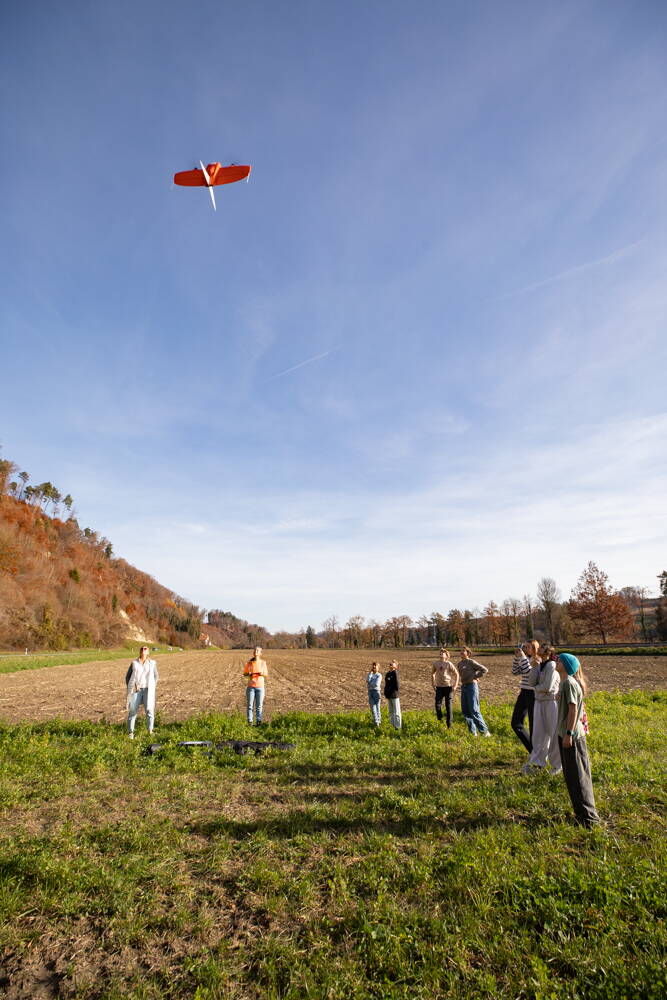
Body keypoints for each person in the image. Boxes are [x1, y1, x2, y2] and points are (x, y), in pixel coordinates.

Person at [555, 653, 600, 828]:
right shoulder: (565, 683)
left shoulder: (569, 683)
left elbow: (573, 710)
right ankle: (580, 815)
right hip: (565, 735)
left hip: (572, 737)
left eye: (559, 660)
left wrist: (569, 733)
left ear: (566, 665)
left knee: (579, 777)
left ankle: (590, 819)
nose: (556, 661)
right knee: (571, 776)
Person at [523, 643, 561, 774]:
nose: (538, 650)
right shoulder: (538, 665)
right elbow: (531, 682)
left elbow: (548, 687)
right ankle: (537, 763)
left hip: (551, 702)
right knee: (538, 734)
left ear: (548, 652)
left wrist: (537, 690)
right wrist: (534, 667)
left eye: (542, 648)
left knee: (553, 733)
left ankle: (557, 765)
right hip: (539, 702)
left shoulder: (552, 665)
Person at [510, 640, 539, 753]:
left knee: (533, 725)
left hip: (533, 694)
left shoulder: (538, 660)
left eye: (527, 647)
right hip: (523, 693)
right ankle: (532, 750)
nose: (525, 649)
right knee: (515, 723)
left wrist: (522, 658)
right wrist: (517, 658)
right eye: (524, 647)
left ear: (534, 648)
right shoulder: (525, 659)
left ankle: (536, 754)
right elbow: (514, 672)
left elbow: (528, 672)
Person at [126, 644, 159, 739]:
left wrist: (153, 685)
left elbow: (156, 676)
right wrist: (130, 686)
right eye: (142, 649)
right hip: (136, 690)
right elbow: (128, 676)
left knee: (149, 710)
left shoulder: (152, 663)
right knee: (133, 711)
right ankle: (131, 733)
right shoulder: (134, 663)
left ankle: (150, 731)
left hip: (148, 690)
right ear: (140, 651)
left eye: (145, 649)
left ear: (148, 652)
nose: (143, 650)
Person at [457, 647, 490, 735]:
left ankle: (485, 732)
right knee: (466, 710)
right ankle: (473, 733)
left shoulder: (471, 662)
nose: (461, 652)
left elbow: (484, 670)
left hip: (472, 686)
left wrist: (475, 677)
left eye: (463, 651)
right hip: (464, 687)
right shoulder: (459, 664)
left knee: (474, 709)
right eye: (460, 650)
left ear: (468, 653)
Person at [431, 648, 459, 728]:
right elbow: (432, 673)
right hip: (439, 687)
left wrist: (455, 685)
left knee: (448, 706)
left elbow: (456, 674)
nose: (441, 654)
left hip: (448, 687)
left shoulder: (449, 664)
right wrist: (433, 684)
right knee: (437, 705)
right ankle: (440, 720)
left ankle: (449, 725)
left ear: (446, 656)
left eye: (442, 653)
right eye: (440, 652)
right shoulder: (435, 663)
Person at [243, 646, 268, 725]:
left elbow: (266, 674)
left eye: (257, 651)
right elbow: (245, 673)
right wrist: (249, 674)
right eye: (255, 650)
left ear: (260, 653)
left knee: (259, 706)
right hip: (251, 687)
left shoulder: (263, 663)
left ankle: (258, 721)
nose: (255, 651)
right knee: (250, 705)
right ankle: (250, 722)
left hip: (260, 687)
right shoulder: (249, 663)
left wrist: (262, 673)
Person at [384, 659, 402, 730]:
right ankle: (392, 726)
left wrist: (394, 693)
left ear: (396, 666)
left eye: (393, 663)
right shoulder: (388, 673)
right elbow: (386, 684)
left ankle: (398, 727)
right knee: (391, 712)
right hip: (389, 696)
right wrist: (386, 693)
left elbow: (397, 685)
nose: (391, 663)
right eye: (390, 663)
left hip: (394, 695)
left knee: (397, 712)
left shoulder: (395, 673)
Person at [367, 661, 382, 727]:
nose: (373, 667)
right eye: (373, 666)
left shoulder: (379, 675)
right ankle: (376, 722)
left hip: (376, 692)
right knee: (373, 708)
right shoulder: (370, 674)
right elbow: (367, 680)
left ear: (378, 668)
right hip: (370, 692)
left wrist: (370, 683)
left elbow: (377, 684)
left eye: (375, 666)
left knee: (378, 708)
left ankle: (378, 722)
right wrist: (370, 674)